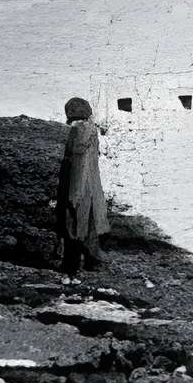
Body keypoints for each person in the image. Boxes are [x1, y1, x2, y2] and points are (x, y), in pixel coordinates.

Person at [54, 95, 109, 276]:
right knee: (88, 228)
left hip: (78, 189)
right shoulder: (92, 131)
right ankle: (93, 263)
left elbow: (79, 164)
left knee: (73, 228)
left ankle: (71, 268)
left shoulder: (78, 132)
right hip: (92, 189)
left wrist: (74, 194)